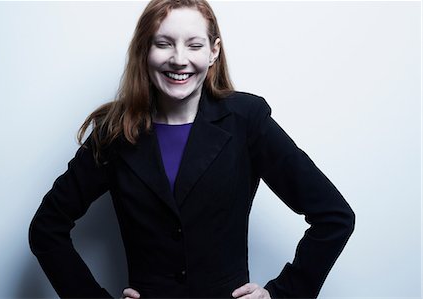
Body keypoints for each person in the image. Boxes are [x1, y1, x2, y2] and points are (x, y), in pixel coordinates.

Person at [28, 0, 355, 298]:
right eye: (164, 43)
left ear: (213, 52)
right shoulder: (115, 132)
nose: (179, 59)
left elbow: (334, 216)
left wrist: (281, 294)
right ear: (145, 50)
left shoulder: (246, 121)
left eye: (194, 45)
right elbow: (47, 228)